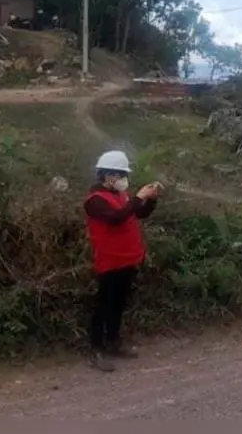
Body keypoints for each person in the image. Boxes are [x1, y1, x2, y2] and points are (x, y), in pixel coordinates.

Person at [84, 150, 162, 372]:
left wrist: (150, 200)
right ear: (107, 176)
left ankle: (114, 341)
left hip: (128, 259)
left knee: (118, 304)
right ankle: (96, 348)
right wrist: (138, 197)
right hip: (109, 261)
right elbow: (116, 218)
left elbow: (138, 213)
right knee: (103, 305)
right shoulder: (95, 200)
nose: (123, 179)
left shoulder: (122, 196)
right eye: (119, 175)